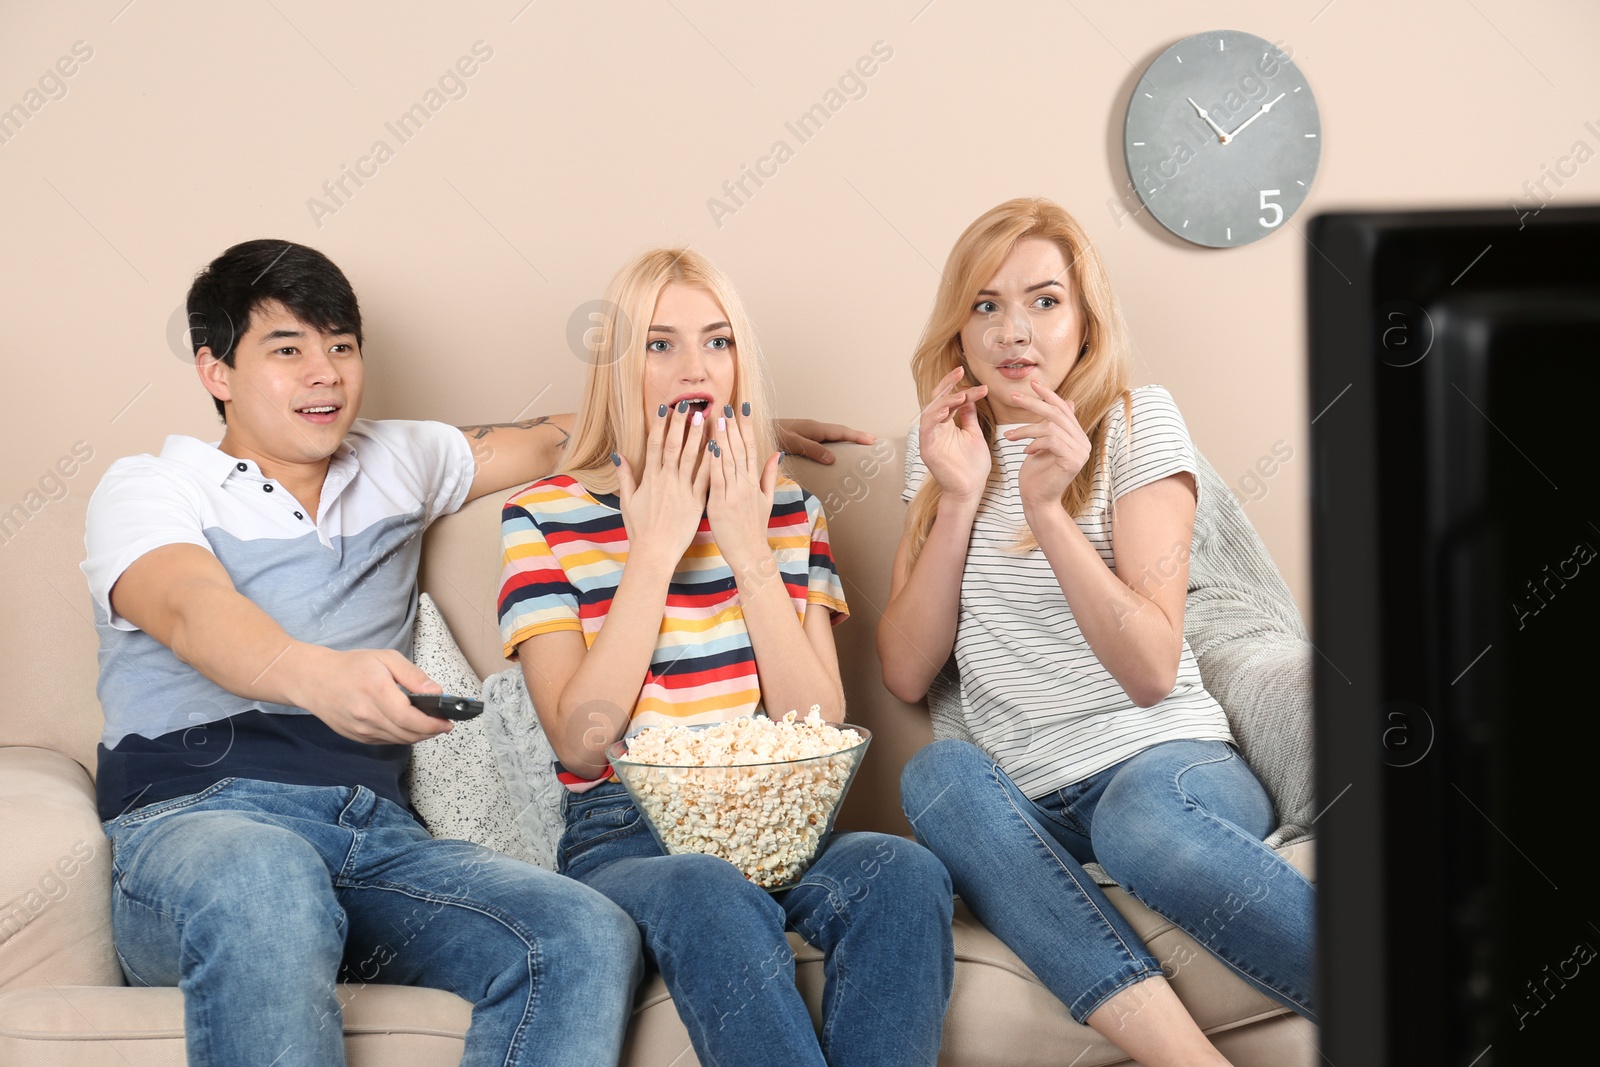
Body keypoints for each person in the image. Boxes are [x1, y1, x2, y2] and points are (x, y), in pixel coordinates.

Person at [83, 238, 870, 1067]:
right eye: (287, 351)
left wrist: (732, 428)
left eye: (340, 347)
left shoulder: (399, 463)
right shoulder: (150, 486)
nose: (323, 373)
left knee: (581, 930)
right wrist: (315, 674)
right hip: (201, 829)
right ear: (215, 371)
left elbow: (572, 431)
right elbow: (186, 603)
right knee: (266, 881)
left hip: (374, 841)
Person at [879, 199, 1314, 1067]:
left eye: (1044, 301)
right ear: (958, 331)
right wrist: (961, 494)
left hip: (1168, 765)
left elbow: (1151, 667)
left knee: (1134, 818)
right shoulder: (937, 460)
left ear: (1083, 320)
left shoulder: (1132, 421)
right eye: (986, 305)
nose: (1016, 331)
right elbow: (905, 670)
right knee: (936, 773)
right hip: (1032, 801)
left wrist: (1047, 506)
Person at [498, 247, 955, 1067]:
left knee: (904, 871)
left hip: (784, 819)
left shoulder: (787, 510)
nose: (694, 368)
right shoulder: (542, 516)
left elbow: (815, 723)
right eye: (661, 345)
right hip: (627, 836)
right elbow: (579, 739)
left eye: (717, 341)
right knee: (708, 888)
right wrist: (655, 549)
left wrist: (747, 545)